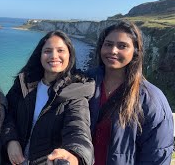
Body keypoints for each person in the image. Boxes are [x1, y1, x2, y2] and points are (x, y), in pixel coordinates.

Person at [50, 21, 174, 164]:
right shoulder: (83, 83)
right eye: (108, 44)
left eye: (122, 46)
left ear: (135, 51)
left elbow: (156, 155)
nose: (113, 50)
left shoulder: (151, 99)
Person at [1, 30, 95, 165]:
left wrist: (75, 155)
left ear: (70, 55)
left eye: (60, 50)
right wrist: (11, 140)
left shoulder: (76, 93)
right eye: (48, 51)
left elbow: (78, 129)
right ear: (40, 55)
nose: (54, 56)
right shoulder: (24, 83)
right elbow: (7, 114)